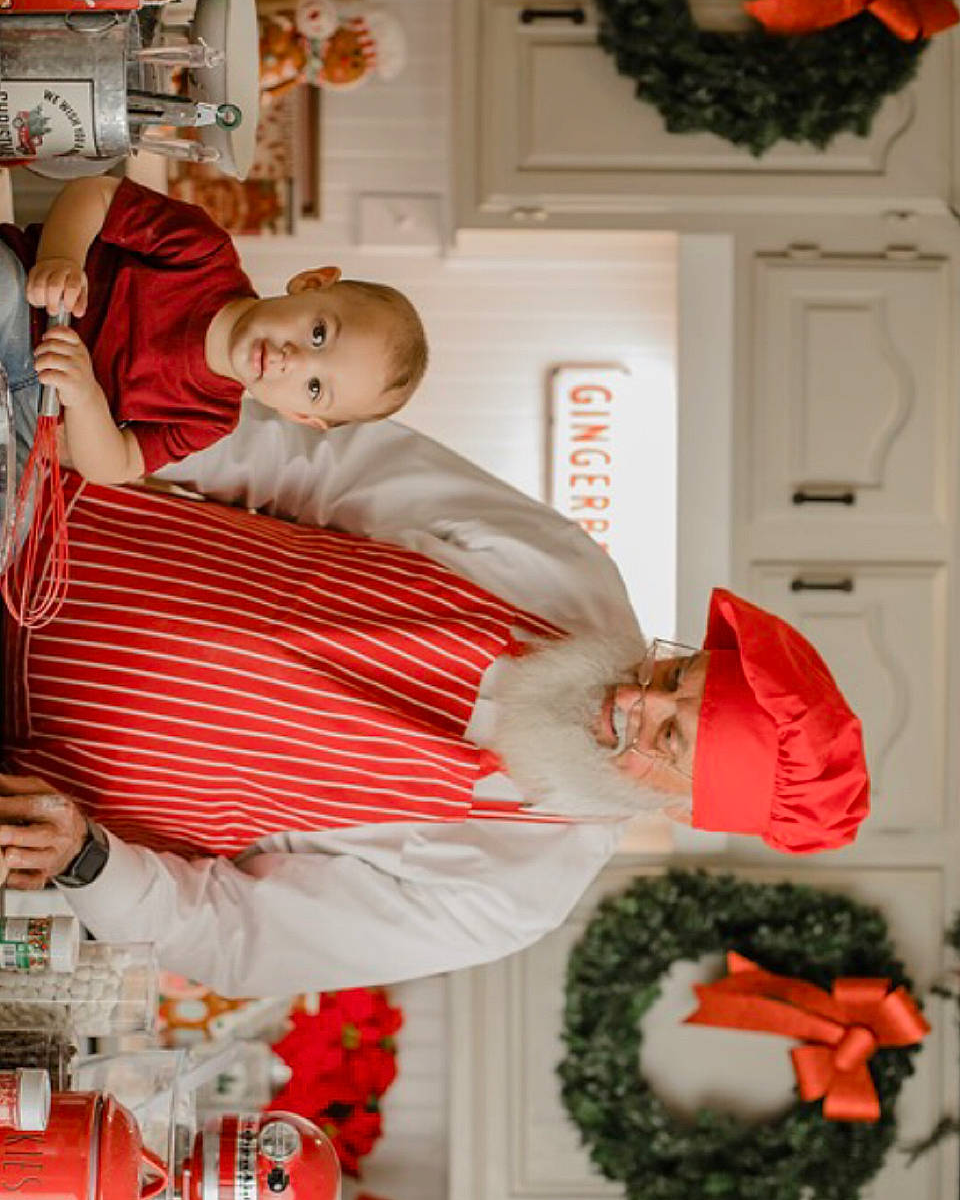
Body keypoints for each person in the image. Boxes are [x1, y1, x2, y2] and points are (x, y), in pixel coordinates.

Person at [0, 408, 869, 995]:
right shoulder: (570, 576)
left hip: (13, 754)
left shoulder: (514, 893)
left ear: (679, 806)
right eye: (676, 676)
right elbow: (316, 463)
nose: (637, 695)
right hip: (34, 511)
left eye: (669, 734)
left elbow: (239, 935)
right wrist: (112, 440)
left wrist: (87, 862)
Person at [0, 174, 427, 487]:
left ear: (298, 415)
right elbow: (94, 194)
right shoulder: (206, 252)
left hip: (32, 412)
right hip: (22, 301)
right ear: (310, 283)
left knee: (14, 524)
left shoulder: (210, 419)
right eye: (318, 334)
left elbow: (114, 465)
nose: (291, 361)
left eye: (314, 387)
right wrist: (62, 260)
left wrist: (86, 398)